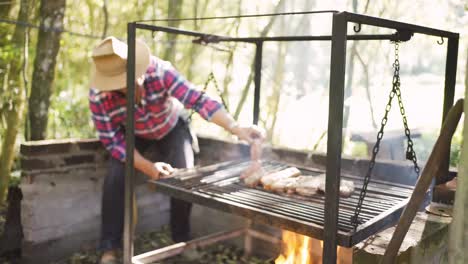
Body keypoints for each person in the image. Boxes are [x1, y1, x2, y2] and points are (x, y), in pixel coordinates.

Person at [89, 36, 263, 264]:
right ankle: (109, 247)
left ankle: (181, 239)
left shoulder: (161, 71)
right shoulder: (99, 97)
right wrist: (149, 167)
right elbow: (114, 143)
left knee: (185, 173)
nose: (137, 80)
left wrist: (235, 127)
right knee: (115, 178)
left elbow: (197, 99)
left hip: (171, 125)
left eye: (135, 73)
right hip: (133, 134)